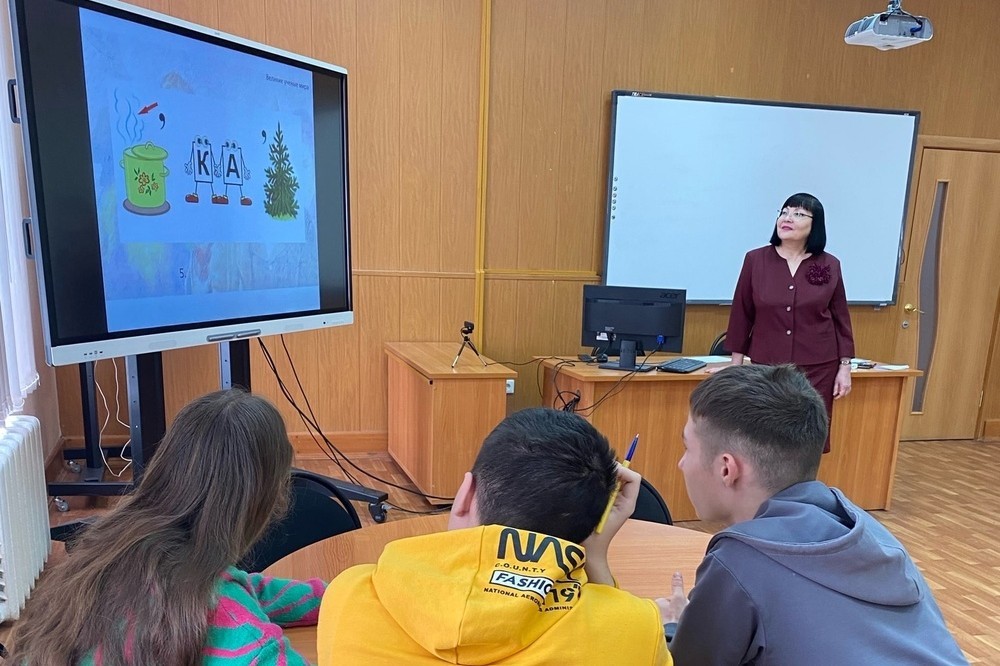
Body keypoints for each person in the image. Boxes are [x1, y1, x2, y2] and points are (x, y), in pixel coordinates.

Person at [317, 407, 672, 665]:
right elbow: (614, 632)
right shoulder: (636, 630)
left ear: (465, 494)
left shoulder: (349, 597)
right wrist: (593, 556)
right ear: (592, 525)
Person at [669, 364, 968, 665]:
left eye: (687, 448)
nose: (681, 464)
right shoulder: (871, 533)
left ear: (726, 469)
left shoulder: (739, 560)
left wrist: (674, 626)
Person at [8, 389, 325, 666]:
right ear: (267, 499)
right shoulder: (239, 633)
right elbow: (234, 616)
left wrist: (339, 594)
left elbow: (241, 587)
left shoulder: (105, 560)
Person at [724, 192, 854, 453]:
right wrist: (735, 367)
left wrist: (845, 366)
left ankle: (804, 480)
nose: (787, 218)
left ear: (815, 225)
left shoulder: (830, 264)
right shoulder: (755, 260)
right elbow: (742, 313)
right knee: (764, 437)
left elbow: (841, 318)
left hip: (818, 367)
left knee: (809, 438)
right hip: (767, 366)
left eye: (798, 214)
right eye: (784, 212)